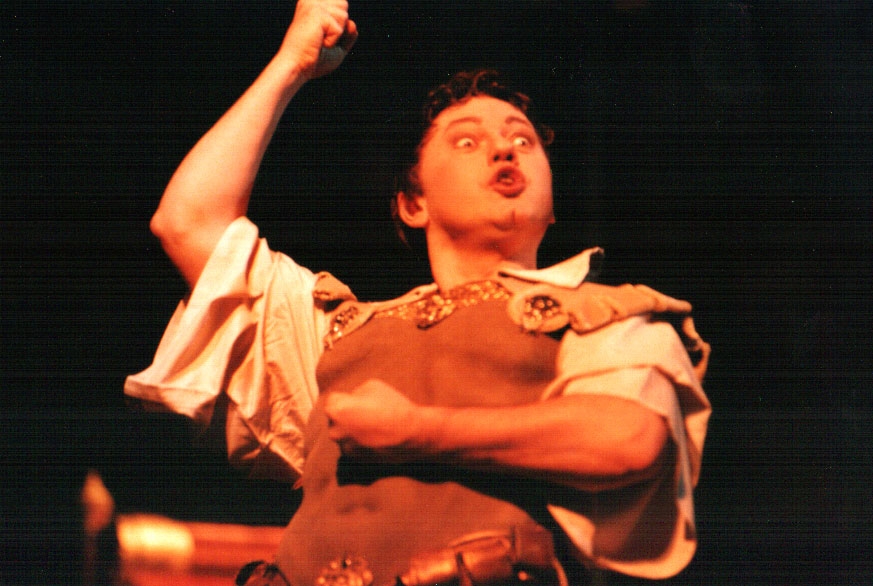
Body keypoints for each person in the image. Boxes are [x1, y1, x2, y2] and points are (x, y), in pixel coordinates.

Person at [125, 1, 711, 584]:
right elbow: (190, 224)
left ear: (552, 204)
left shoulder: (602, 313)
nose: (504, 149)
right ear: (413, 203)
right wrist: (290, 65)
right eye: (466, 142)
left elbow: (629, 439)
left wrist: (416, 430)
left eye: (523, 141)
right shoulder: (339, 331)